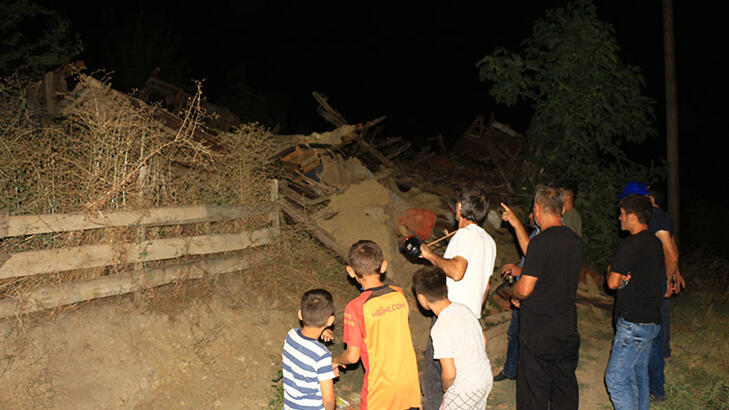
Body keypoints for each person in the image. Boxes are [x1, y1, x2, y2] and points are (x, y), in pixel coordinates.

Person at [419, 187, 497, 410]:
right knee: (463, 378)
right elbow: (486, 285)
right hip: (471, 317)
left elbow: (457, 271)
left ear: (460, 208)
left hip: (450, 315)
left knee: (435, 379)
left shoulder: (463, 235)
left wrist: (429, 255)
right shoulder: (489, 241)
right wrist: (474, 314)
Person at [511, 184, 584, 410]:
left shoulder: (540, 243)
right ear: (562, 209)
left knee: (534, 390)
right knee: (564, 386)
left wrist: (514, 291)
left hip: (539, 331)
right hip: (566, 326)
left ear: (537, 208)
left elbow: (525, 289)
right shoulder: (575, 241)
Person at [617, 181, 685, 401]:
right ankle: (649, 387)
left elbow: (671, 253)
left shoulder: (654, 218)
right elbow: (671, 250)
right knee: (655, 334)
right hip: (655, 283)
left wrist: (665, 282)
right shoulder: (661, 216)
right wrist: (675, 274)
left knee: (652, 337)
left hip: (653, 286)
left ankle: (656, 388)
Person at [333, 240, 421, 410]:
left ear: (350, 271)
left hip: (380, 389)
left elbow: (352, 357)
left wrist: (335, 360)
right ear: (383, 266)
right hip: (409, 383)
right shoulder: (399, 294)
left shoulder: (356, 307)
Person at [604, 194, 664, 410]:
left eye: (622, 214)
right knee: (638, 376)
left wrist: (611, 270)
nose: (619, 218)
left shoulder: (631, 244)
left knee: (615, 379)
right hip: (651, 322)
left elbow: (612, 282)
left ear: (632, 216)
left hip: (634, 325)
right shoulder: (654, 242)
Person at [413, 266, 493, 410]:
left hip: (465, 388)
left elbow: (449, 373)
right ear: (447, 289)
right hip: (485, 377)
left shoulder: (440, 327)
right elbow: (483, 340)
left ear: (421, 299)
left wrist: (446, 388)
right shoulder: (463, 309)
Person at [493, 206, 539, 382]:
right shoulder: (535, 233)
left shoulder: (547, 236)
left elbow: (537, 263)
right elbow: (530, 259)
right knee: (514, 333)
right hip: (522, 291)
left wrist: (515, 222)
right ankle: (511, 370)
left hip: (532, 294)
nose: (530, 215)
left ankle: (526, 374)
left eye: (533, 212)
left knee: (529, 337)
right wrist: (517, 267)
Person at [281, 289, 337, 410]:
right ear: (330, 320)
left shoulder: (290, 335)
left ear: (300, 314)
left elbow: (305, 362)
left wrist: (324, 329)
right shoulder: (321, 355)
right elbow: (328, 398)